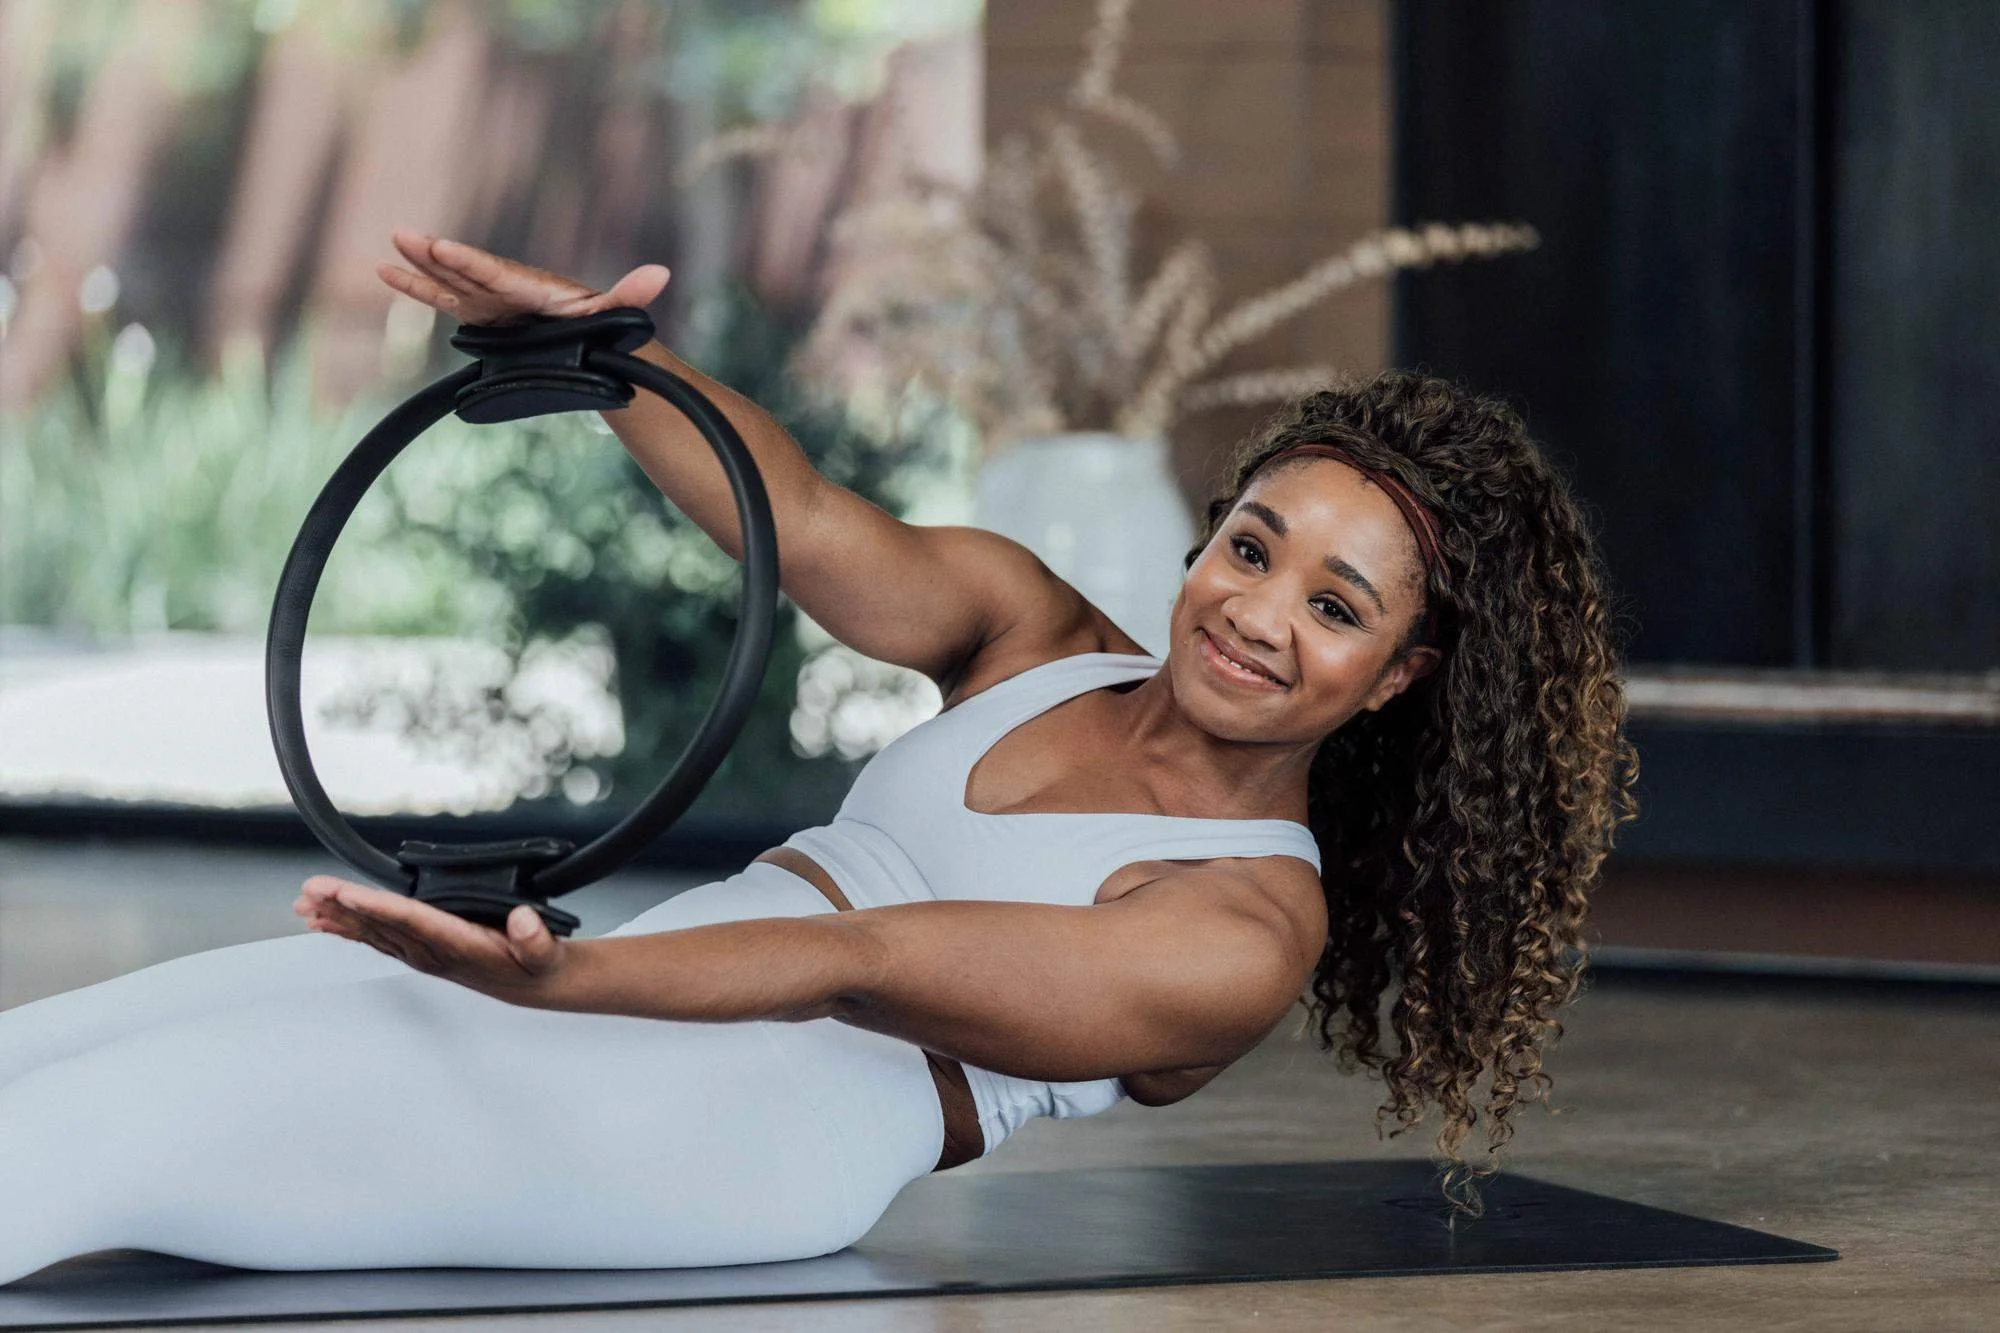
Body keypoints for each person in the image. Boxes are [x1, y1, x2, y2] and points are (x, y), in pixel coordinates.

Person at [0, 232, 1636, 1285]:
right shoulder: (1038, 633)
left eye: (1335, 606)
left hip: (753, 1126)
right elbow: (801, 516)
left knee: (131, 1130)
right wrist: (593, 361)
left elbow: (857, 961)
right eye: (1256, 547)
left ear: (1398, 678)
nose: (1258, 613)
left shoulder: (1245, 932)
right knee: (62, 1054)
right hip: (646, 989)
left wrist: (554, 987)